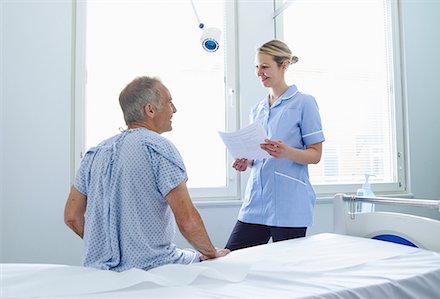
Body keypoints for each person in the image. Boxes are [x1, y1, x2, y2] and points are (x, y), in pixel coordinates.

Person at [64, 76, 230, 271]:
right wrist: (211, 253)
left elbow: (71, 217)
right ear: (150, 110)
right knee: (216, 262)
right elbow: (187, 221)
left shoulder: (95, 153)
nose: (174, 109)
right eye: (169, 102)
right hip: (153, 267)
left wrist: (103, 247)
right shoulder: (158, 148)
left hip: (99, 270)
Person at [225, 40, 325, 251]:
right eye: (257, 67)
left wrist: (286, 151)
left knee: (287, 271)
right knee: (232, 258)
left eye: (265, 66)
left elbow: (315, 155)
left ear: (284, 65)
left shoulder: (304, 103)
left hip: (290, 205)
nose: (259, 72)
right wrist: (247, 160)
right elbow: (260, 153)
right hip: (256, 203)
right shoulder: (258, 109)